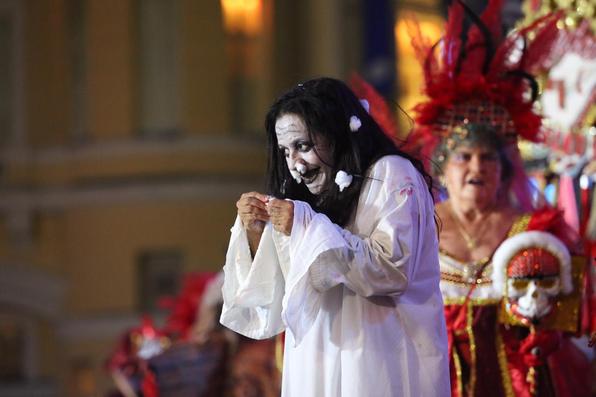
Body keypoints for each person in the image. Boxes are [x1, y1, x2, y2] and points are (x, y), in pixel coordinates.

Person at [219, 77, 450, 396]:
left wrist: (305, 226)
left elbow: (391, 272)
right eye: (286, 151)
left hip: (382, 362)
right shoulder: (307, 198)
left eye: (303, 146)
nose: (295, 165)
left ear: (338, 135)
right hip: (318, 365)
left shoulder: (392, 173)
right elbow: (271, 302)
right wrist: (256, 232)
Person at [408, 0, 593, 395]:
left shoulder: (535, 228)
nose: (476, 166)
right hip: (437, 379)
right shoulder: (418, 225)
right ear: (443, 168)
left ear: (504, 169)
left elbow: (566, 313)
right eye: (464, 156)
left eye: (487, 157)